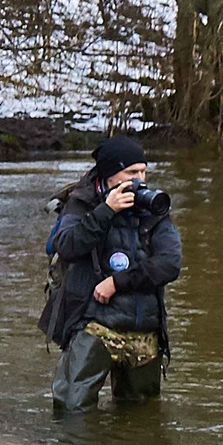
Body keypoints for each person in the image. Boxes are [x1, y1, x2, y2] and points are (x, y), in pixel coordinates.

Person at [38, 135, 181, 410]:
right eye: (131, 172)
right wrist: (106, 211)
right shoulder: (82, 202)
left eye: (143, 171)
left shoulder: (154, 209)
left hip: (144, 327)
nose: (140, 179)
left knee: (143, 417)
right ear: (110, 175)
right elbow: (67, 245)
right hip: (94, 324)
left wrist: (117, 282)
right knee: (71, 409)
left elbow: (169, 263)